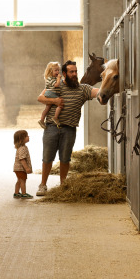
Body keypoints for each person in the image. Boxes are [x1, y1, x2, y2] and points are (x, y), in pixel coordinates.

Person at [36, 60, 99, 196]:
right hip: (52, 127)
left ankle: (63, 185)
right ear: (64, 73)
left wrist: (111, 83)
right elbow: (40, 97)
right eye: (71, 72)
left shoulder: (83, 89)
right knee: (47, 158)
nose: (75, 74)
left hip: (69, 129)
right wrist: (54, 101)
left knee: (65, 159)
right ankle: (43, 185)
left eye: (76, 71)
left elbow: (98, 92)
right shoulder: (56, 86)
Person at [38, 61, 63, 129]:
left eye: (58, 70)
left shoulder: (53, 78)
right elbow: (56, 85)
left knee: (47, 108)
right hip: (51, 94)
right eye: (55, 70)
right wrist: (58, 79)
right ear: (50, 71)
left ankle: (42, 120)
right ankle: (55, 117)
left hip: (51, 93)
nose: (57, 72)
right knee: (60, 105)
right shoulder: (50, 79)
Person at [13, 129, 33, 199]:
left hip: (17, 168)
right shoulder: (22, 148)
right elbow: (22, 159)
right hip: (21, 168)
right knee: (23, 181)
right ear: (21, 139)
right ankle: (24, 193)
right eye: (26, 136)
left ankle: (16, 193)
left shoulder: (21, 147)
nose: (28, 136)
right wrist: (27, 168)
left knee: (19, 180)